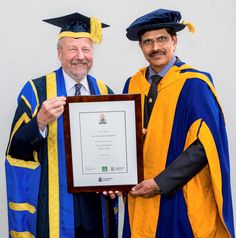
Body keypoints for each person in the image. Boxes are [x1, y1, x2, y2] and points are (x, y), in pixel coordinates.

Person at [122, 9, 235, 238]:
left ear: (174, 41)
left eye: (162, 39)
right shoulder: (132, 84)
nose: (155, 48)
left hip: (181, 196)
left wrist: (160, 182)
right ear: (141, 47)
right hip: (140, 195)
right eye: (148, 42)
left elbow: (204, 146)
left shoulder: (195, 84)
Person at [5, 12, 118, 238]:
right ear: (59, 53)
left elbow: (113, 152)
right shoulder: (36, 91)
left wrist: (119, 178)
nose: (80, 56)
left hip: (95, 210)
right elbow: (15, 150)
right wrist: (39, 122)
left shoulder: (106, 93)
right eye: (72, 49)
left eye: (86, 49)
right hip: (53, 208)